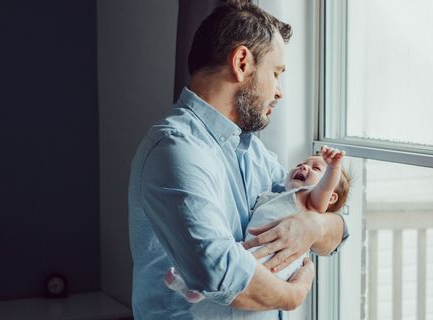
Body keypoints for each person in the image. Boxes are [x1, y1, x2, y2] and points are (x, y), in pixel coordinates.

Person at [128, 2, 349, 319]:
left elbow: (336, 229)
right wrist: (292, 294)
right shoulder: (175, 149)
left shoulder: (252, 151)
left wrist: (313, 224)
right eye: (275, 73)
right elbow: (219, 273)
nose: (279, 92)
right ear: (242, 62)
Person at [164, 146, 351, 303]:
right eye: (302, 164)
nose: (304, 167)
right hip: (258, 249)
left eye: (317, 168)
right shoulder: (280, 194)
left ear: (330, 198)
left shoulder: (311, 201)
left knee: (232, 268)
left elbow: (325, 188)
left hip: (274, 257)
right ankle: (197, 290)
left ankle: (198, 290)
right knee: (230, 265)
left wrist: (334, 167)